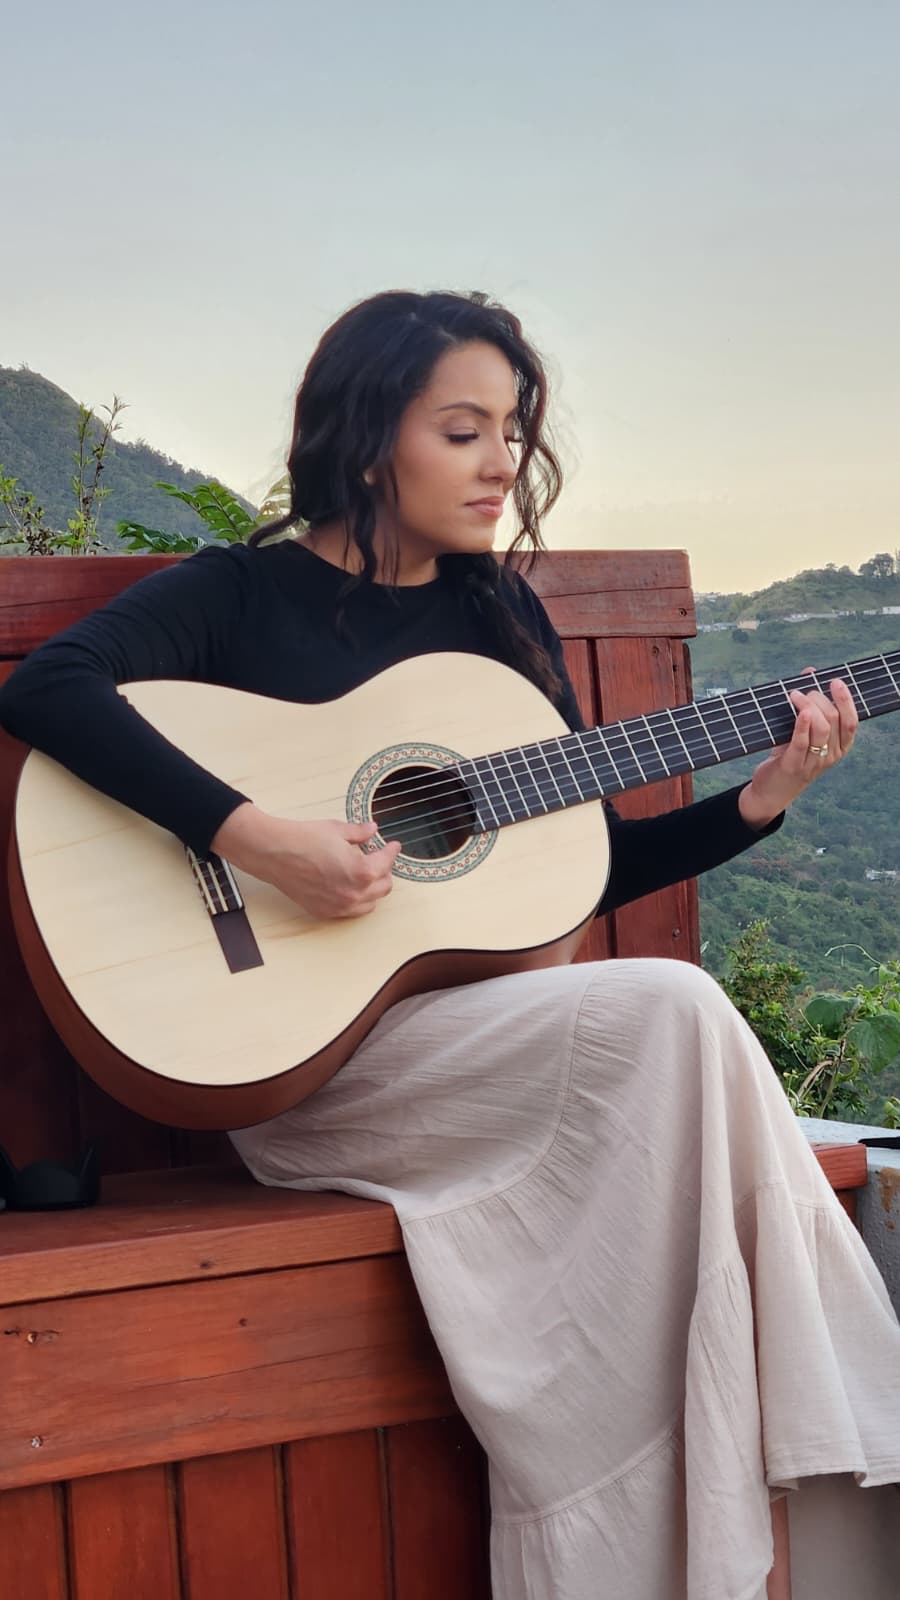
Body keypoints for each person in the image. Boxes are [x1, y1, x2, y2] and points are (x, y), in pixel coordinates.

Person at [1, 289, 898, 1599]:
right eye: (464, 429)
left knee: (673, 1020)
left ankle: (725, 1528)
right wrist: (259, 836)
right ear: (370, 439)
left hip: (467, 1048)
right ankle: (799, 1509)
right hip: (300, 1065)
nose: (501, 466)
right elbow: (46, 686)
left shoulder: (495, 626)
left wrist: (761, 803)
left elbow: (583, 866)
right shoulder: (239, 591)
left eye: (515, 434)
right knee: (677, 1017)